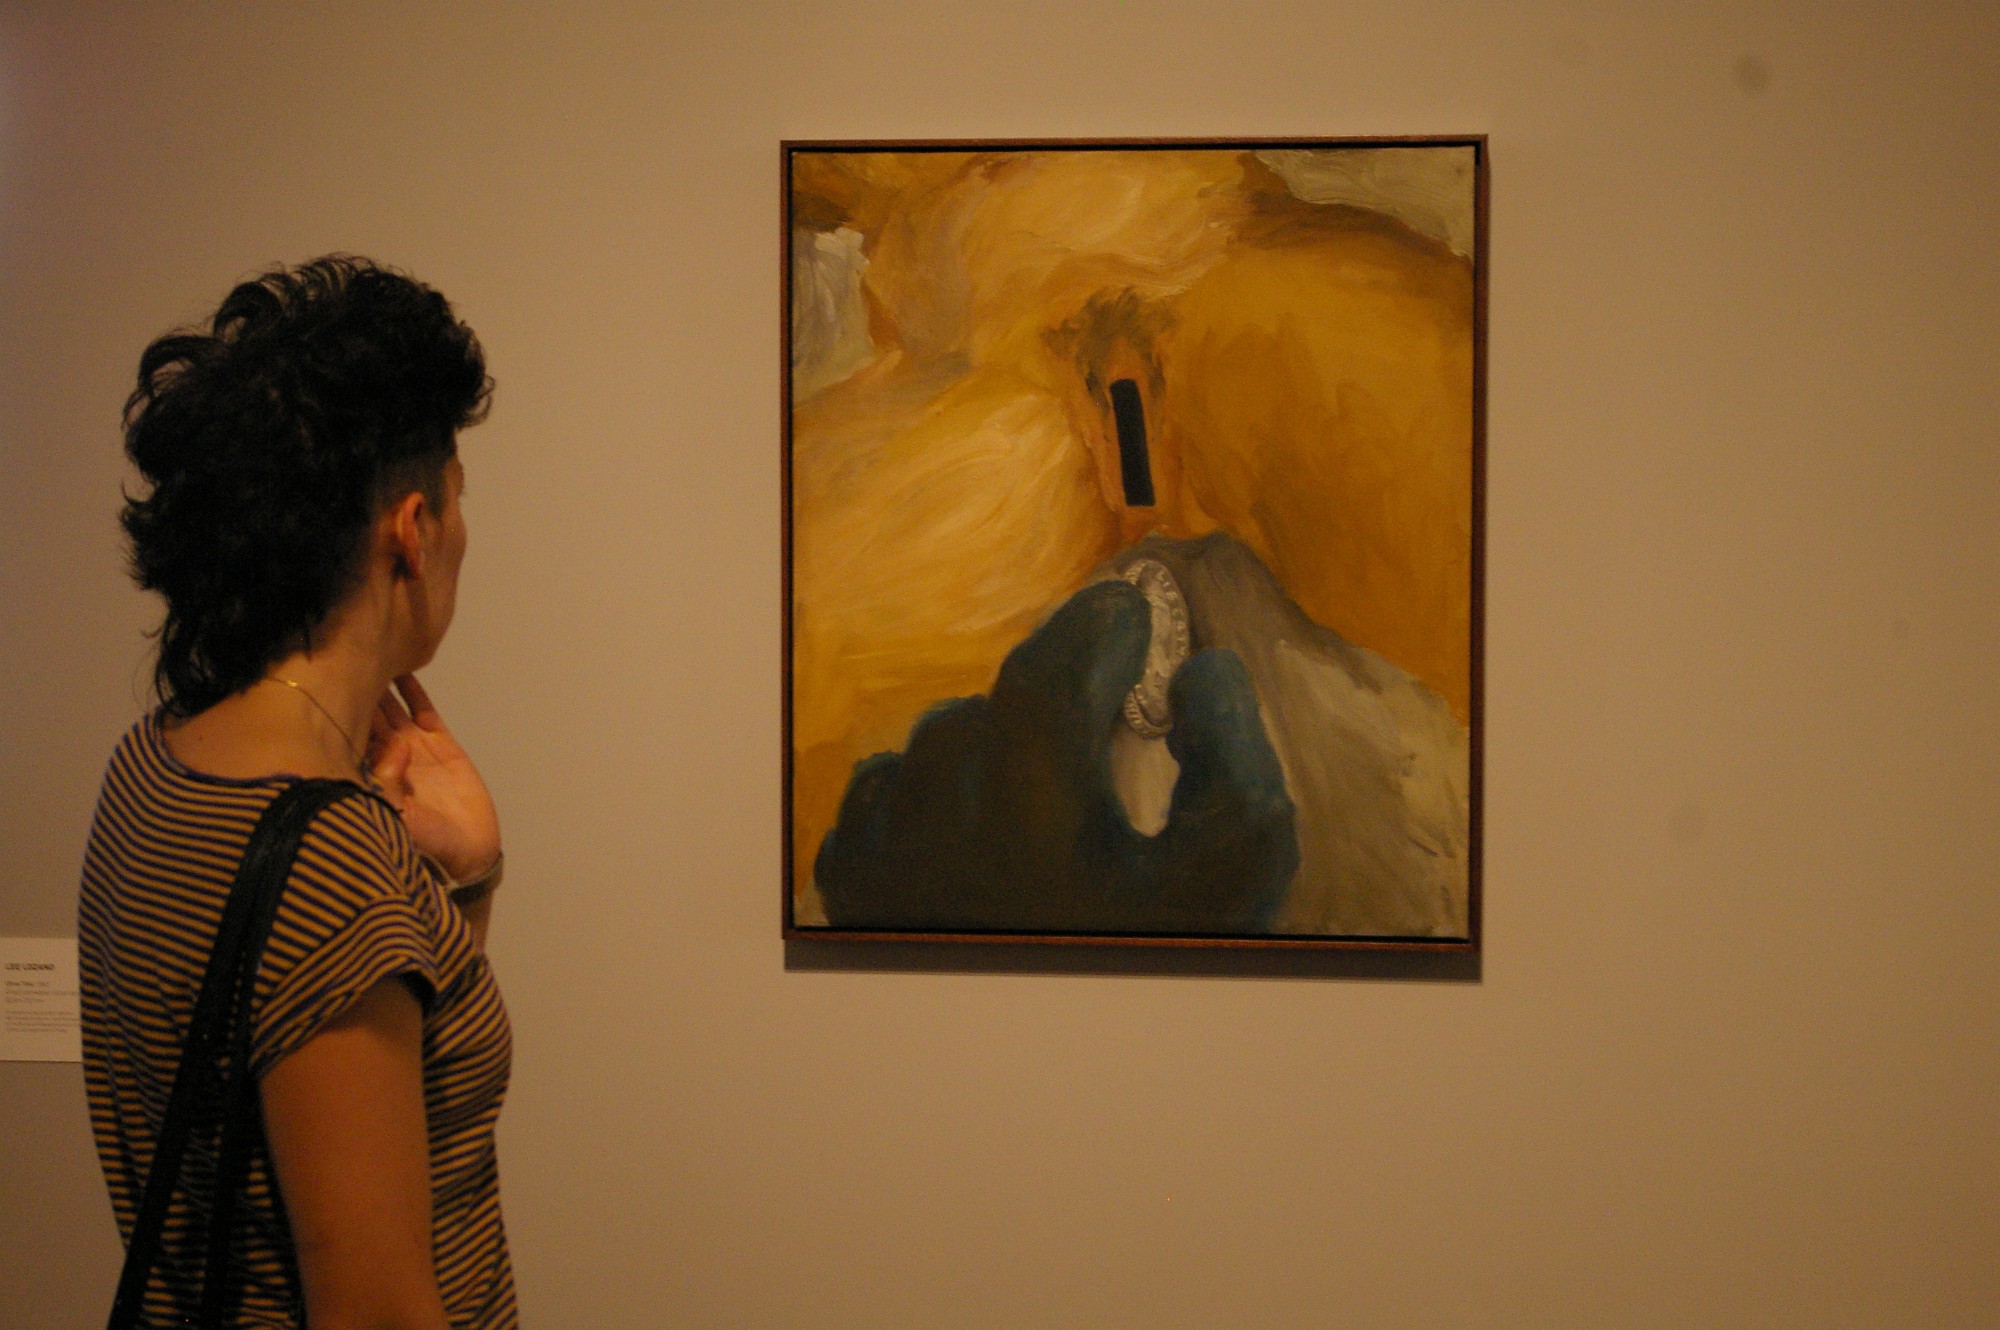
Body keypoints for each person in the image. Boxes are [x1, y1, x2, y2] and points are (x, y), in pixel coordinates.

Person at [77, 256, 516, 1328]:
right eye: (456, 499)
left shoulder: (151, 763)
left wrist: (462, 885)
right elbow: (374, 1309)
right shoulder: (333, 860)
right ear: (410, 532)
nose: (463, 533)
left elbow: (345, 1111)